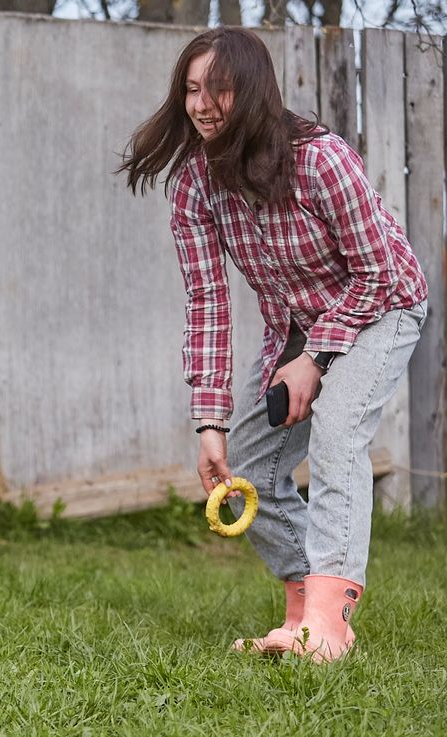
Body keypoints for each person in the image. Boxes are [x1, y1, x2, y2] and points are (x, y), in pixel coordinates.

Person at [118, 27, 428, 662]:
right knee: (251, 469)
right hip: (297, 332)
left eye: (220, 90)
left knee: (340, 430)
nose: (201, 105)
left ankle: (330, 624)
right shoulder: (195, 187)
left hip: (383, 304)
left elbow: (378, 272)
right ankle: (301, 613)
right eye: (192, 89)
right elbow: (207, 303)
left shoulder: (321, 160)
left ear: (253, 92)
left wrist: (317, 361)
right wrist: (211, 424)